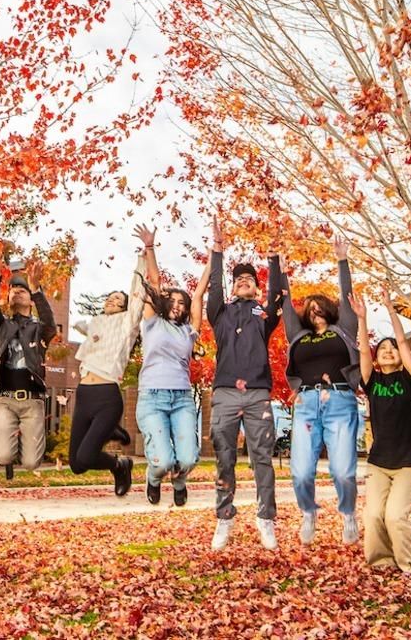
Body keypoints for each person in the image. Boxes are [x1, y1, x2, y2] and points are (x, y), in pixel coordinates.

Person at [203, 216, 284, 551]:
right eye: (239, 280)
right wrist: (218, 251)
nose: (244, 283)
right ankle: (225, 518)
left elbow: (278, 295)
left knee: (261, 457)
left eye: (250, 280)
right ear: (234, 287)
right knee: (224, 456)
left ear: (256, 287)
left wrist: (275, 259)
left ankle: (266, 519)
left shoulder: (263, 316)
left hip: (257, 395)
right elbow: (214, 289)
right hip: (224, 393)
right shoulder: (220, 314)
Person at [278, 235, 362, 546]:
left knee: (342, 471)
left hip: (339, 401)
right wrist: (281, 269)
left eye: (319, 307)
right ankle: (309, 512)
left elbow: (348, 294)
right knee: (300, 473)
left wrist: (342, 261)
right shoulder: (297, 336)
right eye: (309, 308)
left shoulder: (344, 330)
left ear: (329, 309)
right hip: (306, 405)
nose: (314, 311)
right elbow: (285, 304)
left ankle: (348, 512)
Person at [68, 227, 153, 495]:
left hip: (106, 395)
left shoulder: (128, 323)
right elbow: (82, 326)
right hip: (84, 394)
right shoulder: (97, 322)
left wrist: (142, 259)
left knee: (85, 457)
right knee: (76, 465)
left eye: (117, 298)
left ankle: (120, 465)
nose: (111, 300)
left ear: (125, 306)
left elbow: (137, 294)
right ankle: (110, 435)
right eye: (109, 297)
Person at [135, 226, 211, 506]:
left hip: (181, 399)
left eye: (183, 302)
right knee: (162, 460)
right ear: (165, 303)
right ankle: (153, 478)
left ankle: (180, 481)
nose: (178, 305)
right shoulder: (152, 322)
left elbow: (200, 293)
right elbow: (154, 281)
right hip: (152, 398)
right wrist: (151, 248)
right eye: (173, 301)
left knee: (189, 457)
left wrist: (214, 253)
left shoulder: (189, 331)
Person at [353, 290, 411, 573]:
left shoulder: (409, 378)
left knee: (395, 516)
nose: (387, 350)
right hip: (379, 462)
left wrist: (390, 310)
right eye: (382, 348)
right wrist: (362, 319)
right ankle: (381, 561)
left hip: (407, 463)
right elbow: (362, 351)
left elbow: (405, 344)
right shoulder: (372, 382)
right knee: (373, 516)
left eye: (391, 348)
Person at [0, 253, 56, 479]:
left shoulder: (39, 328)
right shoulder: (1, 325)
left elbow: (51, 322)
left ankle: (16, 445)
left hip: (32, 401)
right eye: (12, 291)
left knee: (32, 463)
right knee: (3, 456)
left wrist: (36, 288)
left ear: (31, 300)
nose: (16, 292)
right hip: (4, 399)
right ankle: (6, 445)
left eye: (21, 290)